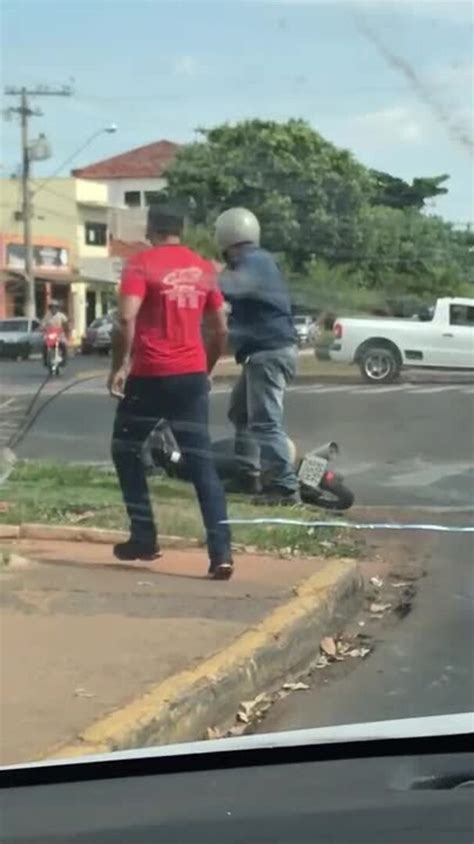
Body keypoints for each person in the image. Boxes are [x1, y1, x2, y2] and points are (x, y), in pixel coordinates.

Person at [108, 203, 233, 580]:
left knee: (125, 449)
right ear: (181, 229)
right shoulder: (204, 268)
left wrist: (119, 366)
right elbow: (220, 330)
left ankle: (144, 537)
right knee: (202, 463)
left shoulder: (140, 264)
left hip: (149, 375)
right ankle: (221, 554)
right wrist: (205, 369)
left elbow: (126, 318)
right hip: (190, 375)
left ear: (150, 229)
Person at [215, 207, 300, 504]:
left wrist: (203, 277)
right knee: (241, 413)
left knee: (265, 422)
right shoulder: (257, 261)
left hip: (269, 352)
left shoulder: (254, 262)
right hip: (264, 352)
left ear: (226, 239)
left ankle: (284, 487)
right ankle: (247, 474)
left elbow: (229, 287)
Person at [41, 299, 69, 365]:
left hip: (59, 334)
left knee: (63, 345)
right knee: (44, 345)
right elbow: (43, 324)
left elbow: (66, 322)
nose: (53, 309)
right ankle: (45, 360)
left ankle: (64, 359)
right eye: (52, 307)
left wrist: (68, 327)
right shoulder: (47, 315)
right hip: (50, 334)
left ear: (57, 308)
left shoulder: (61, 315)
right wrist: (42, 328)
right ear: (50, 308)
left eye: (55, 307)